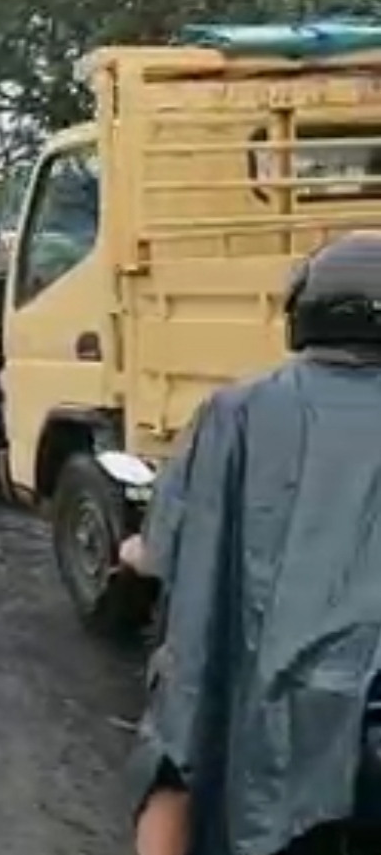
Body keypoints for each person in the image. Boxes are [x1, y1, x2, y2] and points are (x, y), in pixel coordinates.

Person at [122, 231, 381, 855]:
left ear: (301, 312)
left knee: (173, 748)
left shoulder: (234, 413)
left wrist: (136, 550)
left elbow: (164, 549)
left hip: (280, 725)